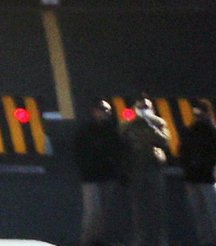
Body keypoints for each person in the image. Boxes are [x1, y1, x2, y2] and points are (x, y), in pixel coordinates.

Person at [120, 94, 170, 246]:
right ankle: (139, 239)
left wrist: (151, 126)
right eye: (141, 107)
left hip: (153, 167)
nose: (144, 109)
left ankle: (159, 239)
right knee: (138, 207)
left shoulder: (159, 122)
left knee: (157, 207)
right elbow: (122, 140)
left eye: (147, 107)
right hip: (136, 169)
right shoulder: (128, 122)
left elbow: (165, 142)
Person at [73, 98, 124, 246]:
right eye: (103, 110)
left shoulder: (113, 131)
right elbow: (78, 152)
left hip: (107, 175)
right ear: (95, 111)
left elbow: (118, 151)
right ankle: (87, 241)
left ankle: (99, 240)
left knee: (105, 211)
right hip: (91, 176)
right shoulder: (86, 131)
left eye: (108, 110)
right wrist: (85, 168)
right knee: (93, 211)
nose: (107, 113)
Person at [179, 99, 216, 246]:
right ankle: (206, 243)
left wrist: (200, 164)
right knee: (200, 216)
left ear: (207, 113)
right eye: (196, 113)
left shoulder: (214, 133)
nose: (198, 116)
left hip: (208, 179)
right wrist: (188, 166)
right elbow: (182, 152)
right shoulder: (190, 131)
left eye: (201, 112)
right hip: (192, 179)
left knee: (214, 215)